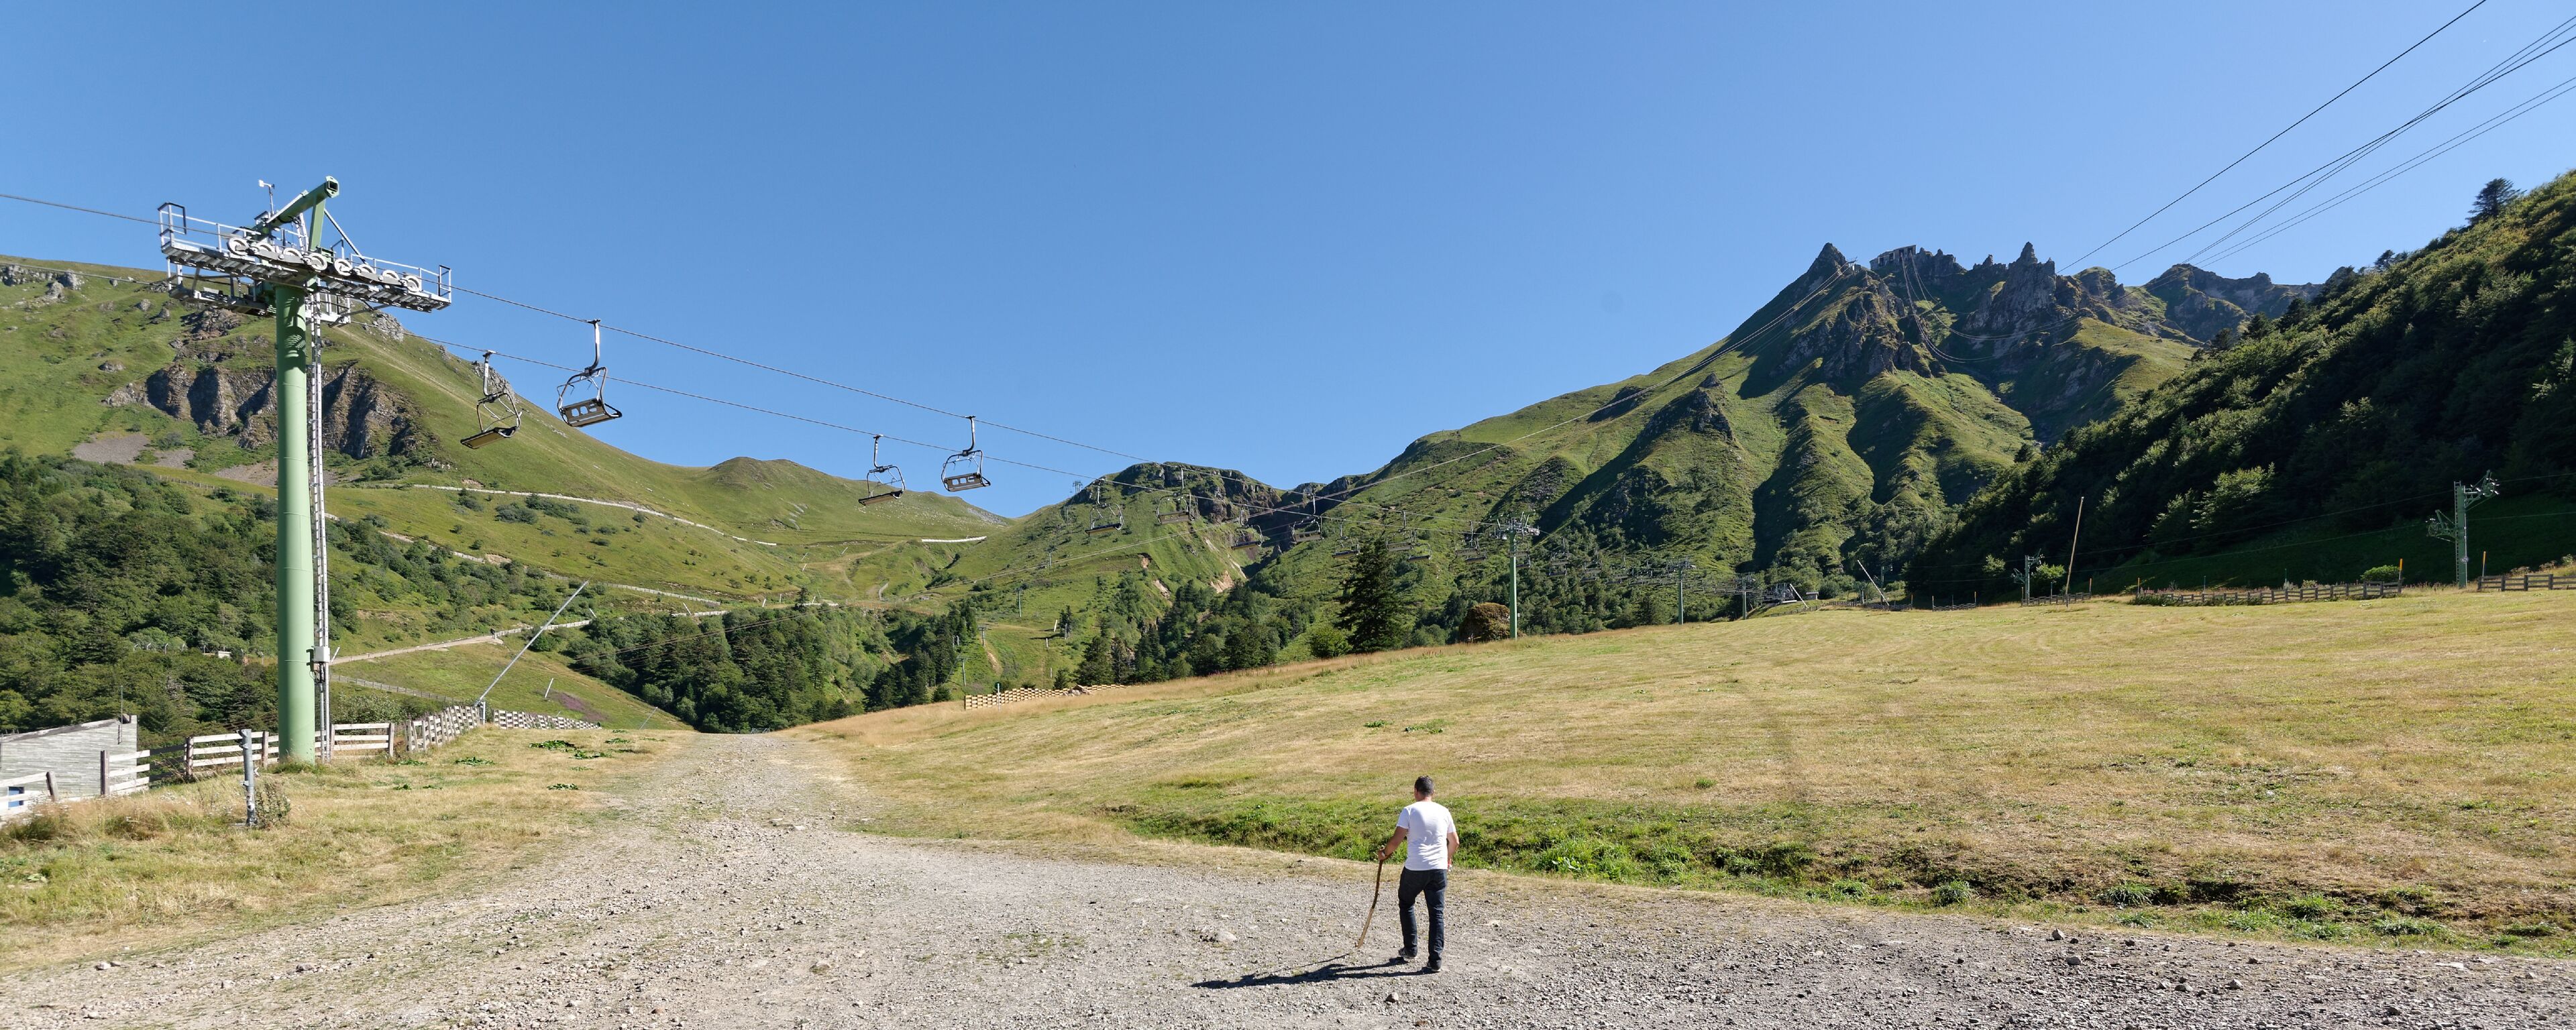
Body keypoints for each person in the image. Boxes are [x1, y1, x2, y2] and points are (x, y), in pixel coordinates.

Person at [1375, 775, 1458, 972]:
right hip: (1438, 869)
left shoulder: (1410, 810)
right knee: (1437, 913)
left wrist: (1384, 854)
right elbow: (1455, 842)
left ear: (1416, 791)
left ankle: (1411, 949)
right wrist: (1447, 859)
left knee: (1406, 902)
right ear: (1433, 793)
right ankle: (1435, 960)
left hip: (1415, 868)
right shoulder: (1444, 811)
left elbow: (1396, 840)